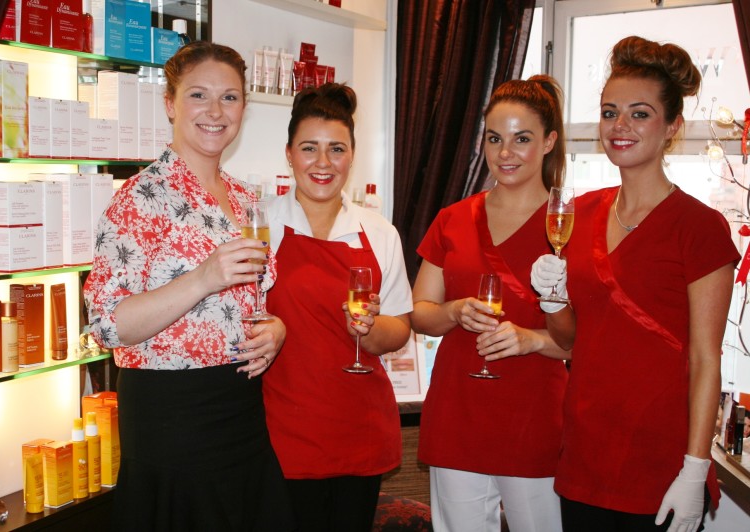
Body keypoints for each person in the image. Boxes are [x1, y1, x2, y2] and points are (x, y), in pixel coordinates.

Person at [83, 41, 294, 532]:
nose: (215, 111)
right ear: (170, 104)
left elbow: (250, 296)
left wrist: (275, 329)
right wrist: (202, 278)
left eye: (230, 97)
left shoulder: (244, 198)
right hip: (172, 414)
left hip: (241, 404)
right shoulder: (140, 198)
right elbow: (107, 324)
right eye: (199, 95)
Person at [531, 36, 739, 531]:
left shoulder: (700, 227)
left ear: (672, 127)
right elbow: (571, 339)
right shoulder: (578, 213)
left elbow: (706, 359)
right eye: (610, 112)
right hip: (584, 451)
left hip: (659, 458)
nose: (619, 126)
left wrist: (695, 467)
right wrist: (553, 300)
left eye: (639, 114)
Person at [411, 75, 572, 532]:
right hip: (458, 410)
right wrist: (453, 312)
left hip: (534, 416)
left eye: (522, 139)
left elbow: (584, 341)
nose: (505, 153)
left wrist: (530, 339)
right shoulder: (453, 219)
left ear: (549, 142)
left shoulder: (569, 227)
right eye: (495, 138)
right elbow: (419, 313)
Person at [262, 82, 413, 532]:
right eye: (309, 148)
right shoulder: (261, 223)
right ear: (289, 154)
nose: (323, 162)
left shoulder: (379, 232)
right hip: (280, 429)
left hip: (358, 428)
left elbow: (400, 328)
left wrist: (370, 329)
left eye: (337, 149)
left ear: (352, 155)